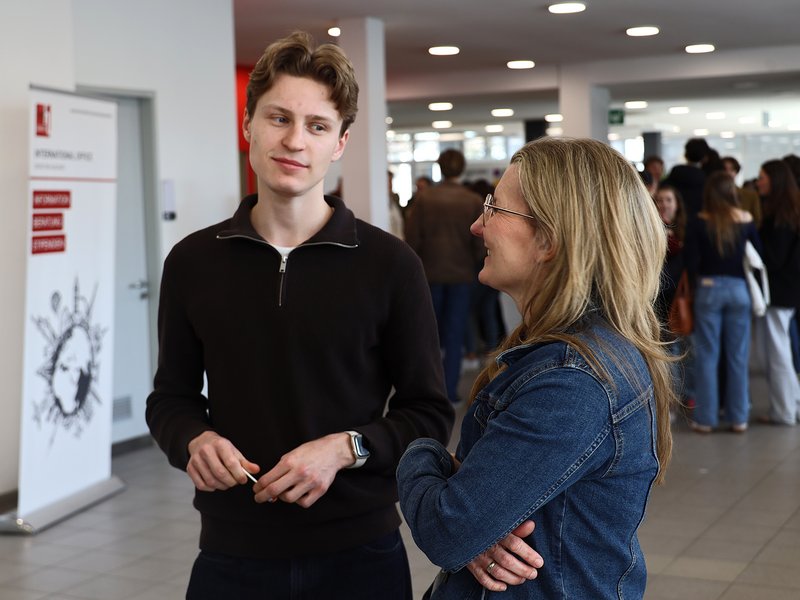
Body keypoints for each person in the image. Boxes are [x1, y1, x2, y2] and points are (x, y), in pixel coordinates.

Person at [145, 31, 454, 599]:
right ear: (248, 125)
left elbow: (429, 414)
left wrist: (345, 448)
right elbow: (170, 400)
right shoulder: (193, 261)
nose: (294, 140)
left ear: (339, 143)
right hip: (233, 551)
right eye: (279, 118)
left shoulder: (390, 264)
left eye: (316, 126)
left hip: (360, 554)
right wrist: (192, 439)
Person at [397, 138, 676, 599]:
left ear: (548, 239)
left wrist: (421, 453)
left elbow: (449, 530)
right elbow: (467, 526)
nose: (477, 225)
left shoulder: (572, 382)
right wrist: (475, 522)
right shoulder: (572, 354)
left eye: (494, 208)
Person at [405, 149, 486, 404]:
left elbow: (412, 239)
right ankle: (449, 392)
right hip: (461, 276)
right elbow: (479, 244)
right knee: (454, 334)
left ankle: (430, 392)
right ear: (462, 168)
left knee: (429, 334)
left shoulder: (425, 198)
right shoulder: (472, 200)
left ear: (440, 167)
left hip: (429, 275)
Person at [683, 171, 762, 433]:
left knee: (707, 356)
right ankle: (739, 417)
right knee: (738, 356)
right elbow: (757, 255)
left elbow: (691, 261)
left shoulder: (699, 221)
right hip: (739, 290)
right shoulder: (746, 219)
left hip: (709, 289)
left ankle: (706, 419)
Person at [755, 159, 800, 425]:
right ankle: (791, 404)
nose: (758, 181)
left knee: (776, 353)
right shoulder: (790, 211)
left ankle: (783, 410)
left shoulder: (779, 217)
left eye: (762, 177)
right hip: (787, 291)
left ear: (775, 180)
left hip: (778, 291)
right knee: (780, 350)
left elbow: (773, 258)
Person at [664, 137, 709, 220]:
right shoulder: (705, 178)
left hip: (675, 219)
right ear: (705, 157)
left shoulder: (676, 172)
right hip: (698, 220)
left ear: (686, 154)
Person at [722, 155, 762, 227]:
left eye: (731, 169)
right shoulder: (713, 195)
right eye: (724, 169)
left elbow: (757, 221)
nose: (727, 172)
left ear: (736, 172)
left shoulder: (750, 195)